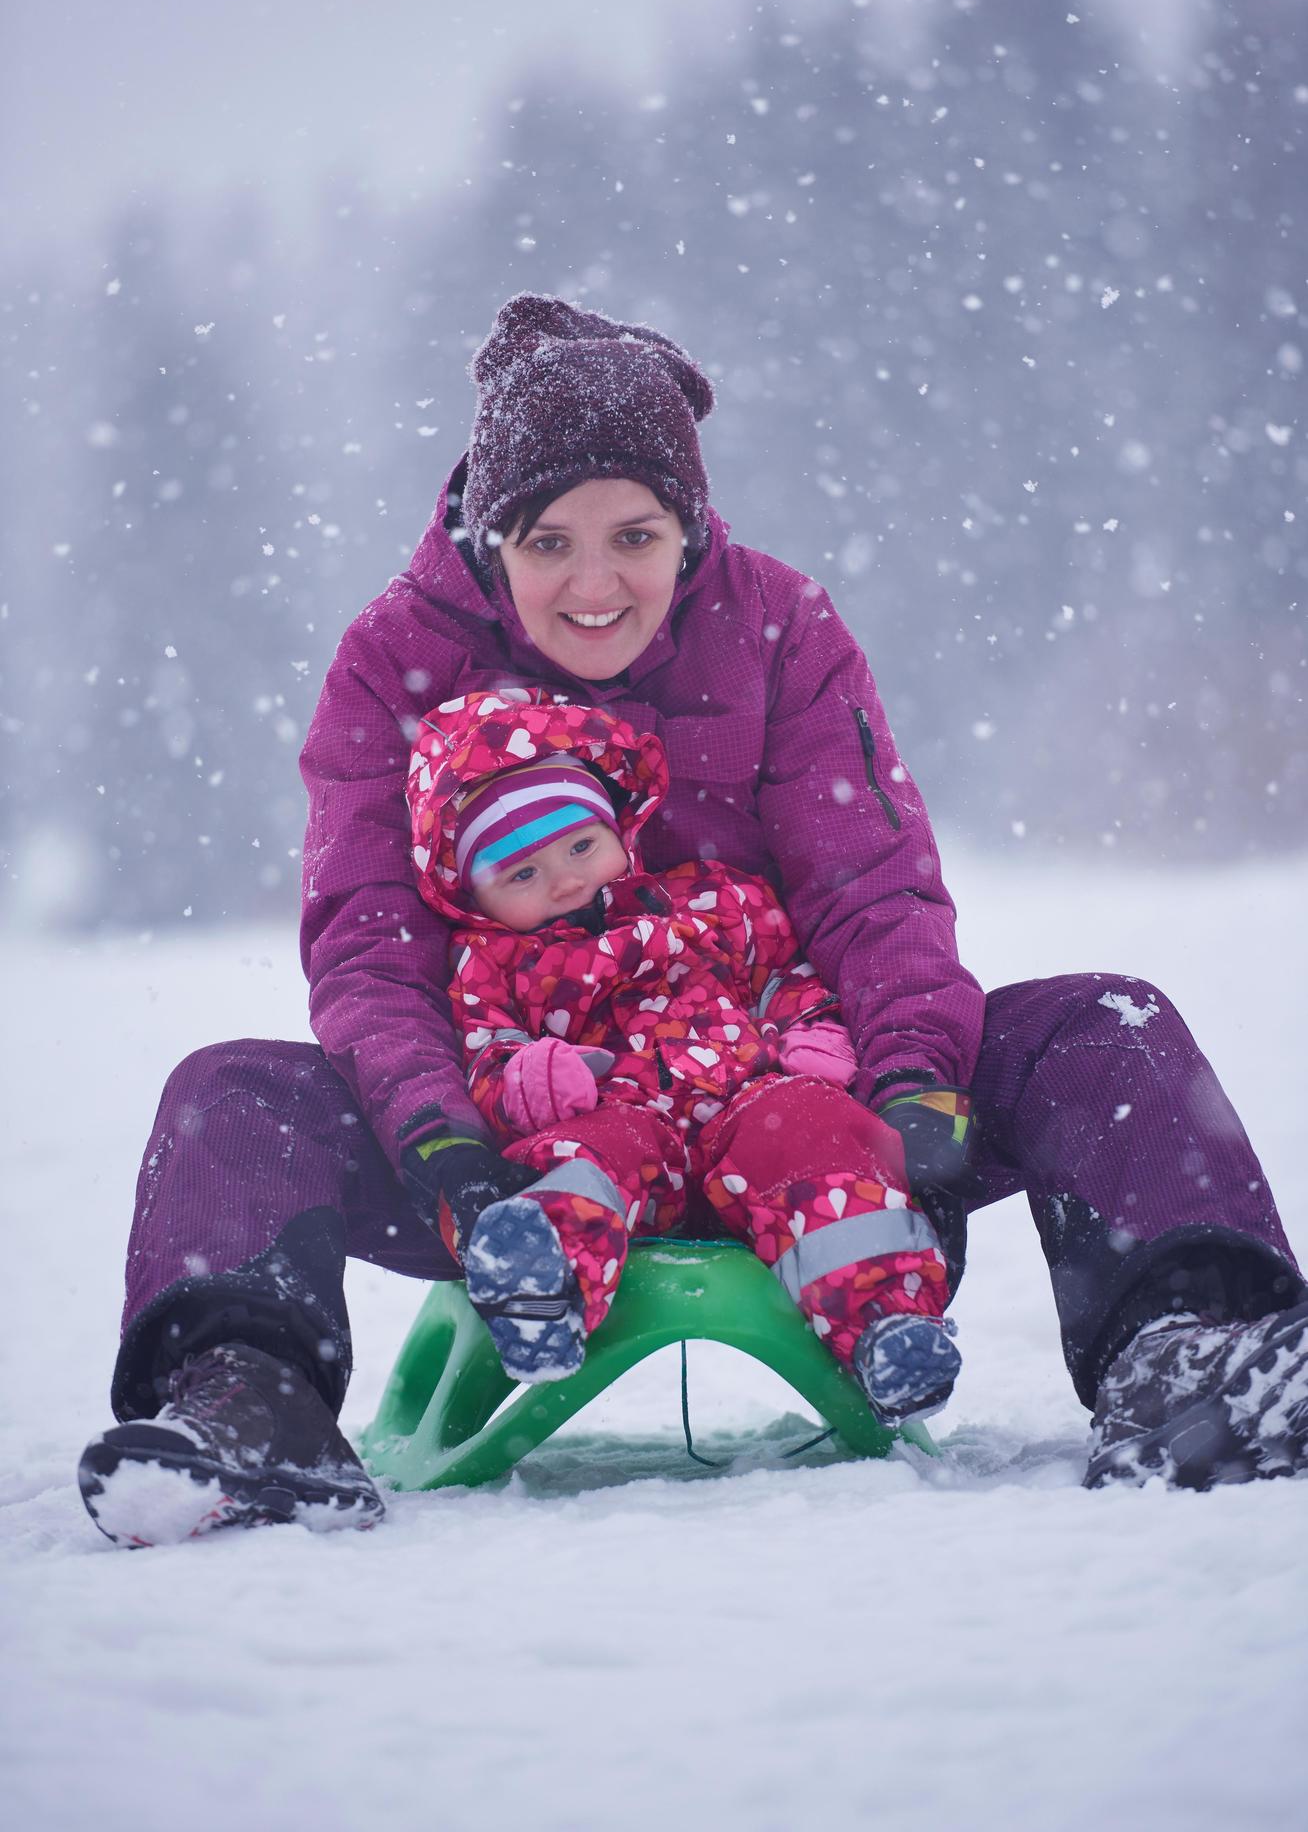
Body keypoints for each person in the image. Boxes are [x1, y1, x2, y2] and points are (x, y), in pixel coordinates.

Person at [78, 293, 1308, 1546]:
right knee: (231, 1094)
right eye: (549, 540)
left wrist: (916, 1103)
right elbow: (369, 956)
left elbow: (874, 894)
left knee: (1103, 1027)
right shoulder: (390, 662)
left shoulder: (780, 629)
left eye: (636, 534)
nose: (596, 582)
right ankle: (244, 1408)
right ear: (487, 532)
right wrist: (449, 1153)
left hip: (803, 1099)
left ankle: (1191, 1357)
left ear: (692, 524)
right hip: (522, 1145)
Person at [403, 685, 962, 1416]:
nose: (567, 879)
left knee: (817, 1136)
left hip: (750, 1099)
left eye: (581, 846)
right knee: (584, 1158)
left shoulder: (715, 900)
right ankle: (540, 1290)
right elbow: (484, 1049)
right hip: (625, 1120)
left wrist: (813, 1029)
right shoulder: (492, 959)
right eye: (523, 874)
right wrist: (525, 1080)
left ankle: (891, 1325)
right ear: (475, 895)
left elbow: (781, 977)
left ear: (618, 832)